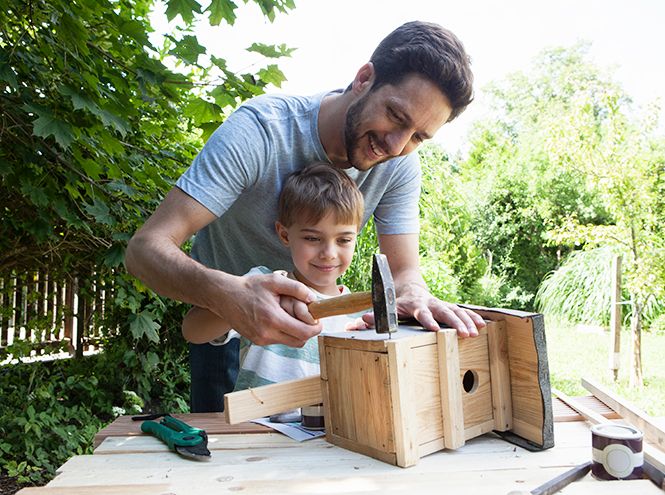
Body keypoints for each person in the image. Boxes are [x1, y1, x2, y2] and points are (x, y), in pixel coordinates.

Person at [125, 20, 486, 413]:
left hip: (319, 338)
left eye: (418, 136)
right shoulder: (261, 131)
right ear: (364, 79)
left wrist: (414, 292)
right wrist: (230, 296)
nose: (397, 145)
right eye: (396, 117)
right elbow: (145, 249)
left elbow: (402, 272)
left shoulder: (399, 165)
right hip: (224, 323)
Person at [182, 162, 366, 392]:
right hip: (254, 424)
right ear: (285, 234)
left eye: (343, 240)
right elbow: (192, 330)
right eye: (312, 238)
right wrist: (240, 305)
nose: (329, 254)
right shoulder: (263, 286)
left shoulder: (359, 319)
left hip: (325, 428)